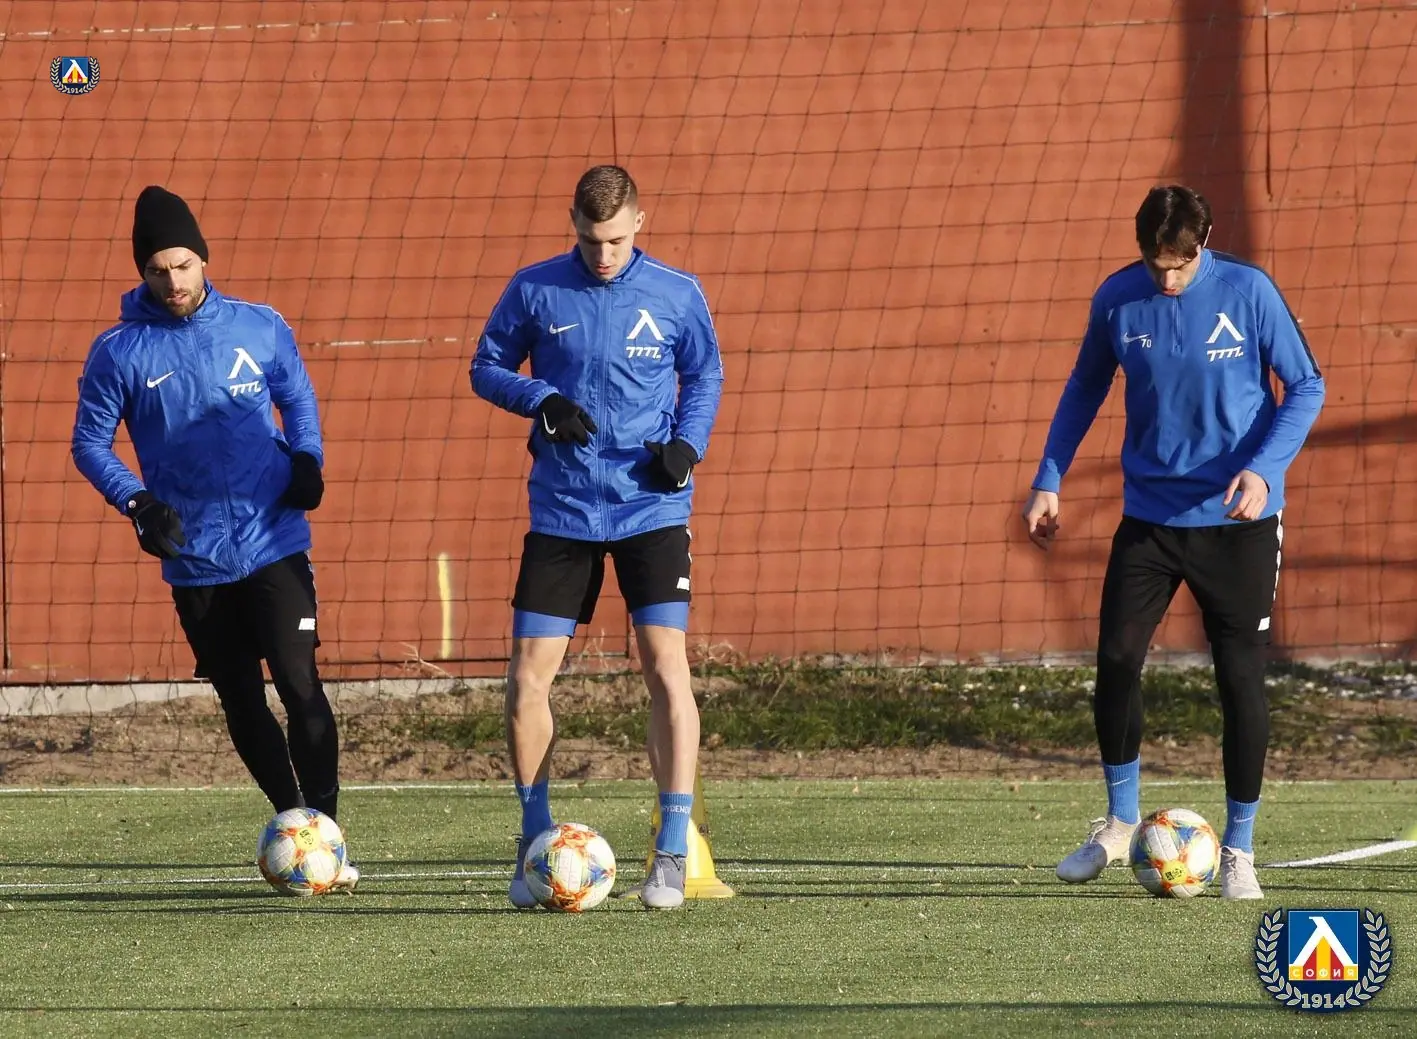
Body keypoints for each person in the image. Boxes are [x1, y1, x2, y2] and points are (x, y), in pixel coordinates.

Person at [1021, 184, 1325, 900]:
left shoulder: (1249, 292)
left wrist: (1264, 469)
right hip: (1151, 520)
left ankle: (1240, 848)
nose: (1166, 280)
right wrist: (1048, 477)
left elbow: (1306, 386)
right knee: (1116, 658)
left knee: (1238, 678)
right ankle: (1119, 821)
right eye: (1155, 265)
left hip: (1238, 522)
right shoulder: (1118, 299)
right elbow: (1083, 387)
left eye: (1179, 266)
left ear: (1203, 242)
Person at [71, 186, 356, 891]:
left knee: (299, 681)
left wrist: (308, 458)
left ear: (204, 259)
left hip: (273, 538)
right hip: (194, 558)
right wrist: (138, 502)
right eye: (157, 270)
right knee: (240, 698)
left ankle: (327, 834)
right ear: (142, 272)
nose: (172, 281)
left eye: (183, 265)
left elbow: (297, 396)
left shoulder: (260, 325)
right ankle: (291, 820)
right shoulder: (118, 351)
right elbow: (89, 444)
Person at [472, 164, 725, 909]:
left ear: (639, 223)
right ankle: (533, 844)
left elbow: (704, 376)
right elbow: (485, 367)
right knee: (527, 677)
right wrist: (540, 398)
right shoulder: (535, 288)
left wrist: (689, 445)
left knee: (666, 668)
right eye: (590, 240)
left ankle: (671, 849)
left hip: (652, 509)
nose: (603, 254)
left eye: (615, 239)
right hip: (563, 510)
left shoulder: (677, 292)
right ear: (573, 227)